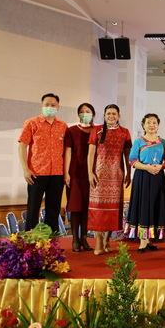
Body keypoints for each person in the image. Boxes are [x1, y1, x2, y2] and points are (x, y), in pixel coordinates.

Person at [18, 93, 68, 232]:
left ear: (58, 107)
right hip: (36, 172)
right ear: (41, 106)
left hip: (57, 173)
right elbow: (22, 146)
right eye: (47, 104)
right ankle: (31, 240)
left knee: (53, 209)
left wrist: (66, 173)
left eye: (53, 105)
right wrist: (25, 169)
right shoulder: (31, 123)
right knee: (33, 208)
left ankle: (52, 241)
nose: (50, 107)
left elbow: (67, 151)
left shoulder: (63, 126)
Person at [87, 104, 132, 256]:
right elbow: (91, 153)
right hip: (98, 175)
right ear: (104, 116)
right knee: (98, 208)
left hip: (116, 175)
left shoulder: (125, 132)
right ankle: (98, 240)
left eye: (114, 114)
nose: (111, 116)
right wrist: (90, 173)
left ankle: (107, 240)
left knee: (113, 210)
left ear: (119, 116)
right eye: (108, 114)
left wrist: (128, 173)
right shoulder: (97, 130)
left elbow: (127, 154)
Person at [126, 113, 165, 253]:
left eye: (154, 122)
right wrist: (147, 167)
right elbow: (132, 160)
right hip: (143, 177)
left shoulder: (163, 142)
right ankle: (142, 242)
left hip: (158, 177)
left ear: (158, 125)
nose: (151, 125)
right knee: (144, 206)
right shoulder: (139, 142)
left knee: (156, 205)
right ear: (143, 125)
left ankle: (150, 239)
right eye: (148, 122)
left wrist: (161, 166)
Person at [64, 103, 95, 251]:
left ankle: (84, 238)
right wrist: (66, 173)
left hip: (92, 174)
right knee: (75, 206)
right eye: (82, 111)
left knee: (87, 207)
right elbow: (68, 152)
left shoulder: (98, 130)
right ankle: (75, 239)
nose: (85, 114)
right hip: (75, 172)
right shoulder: (71, 130)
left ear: (93, 114)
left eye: (87, 111)